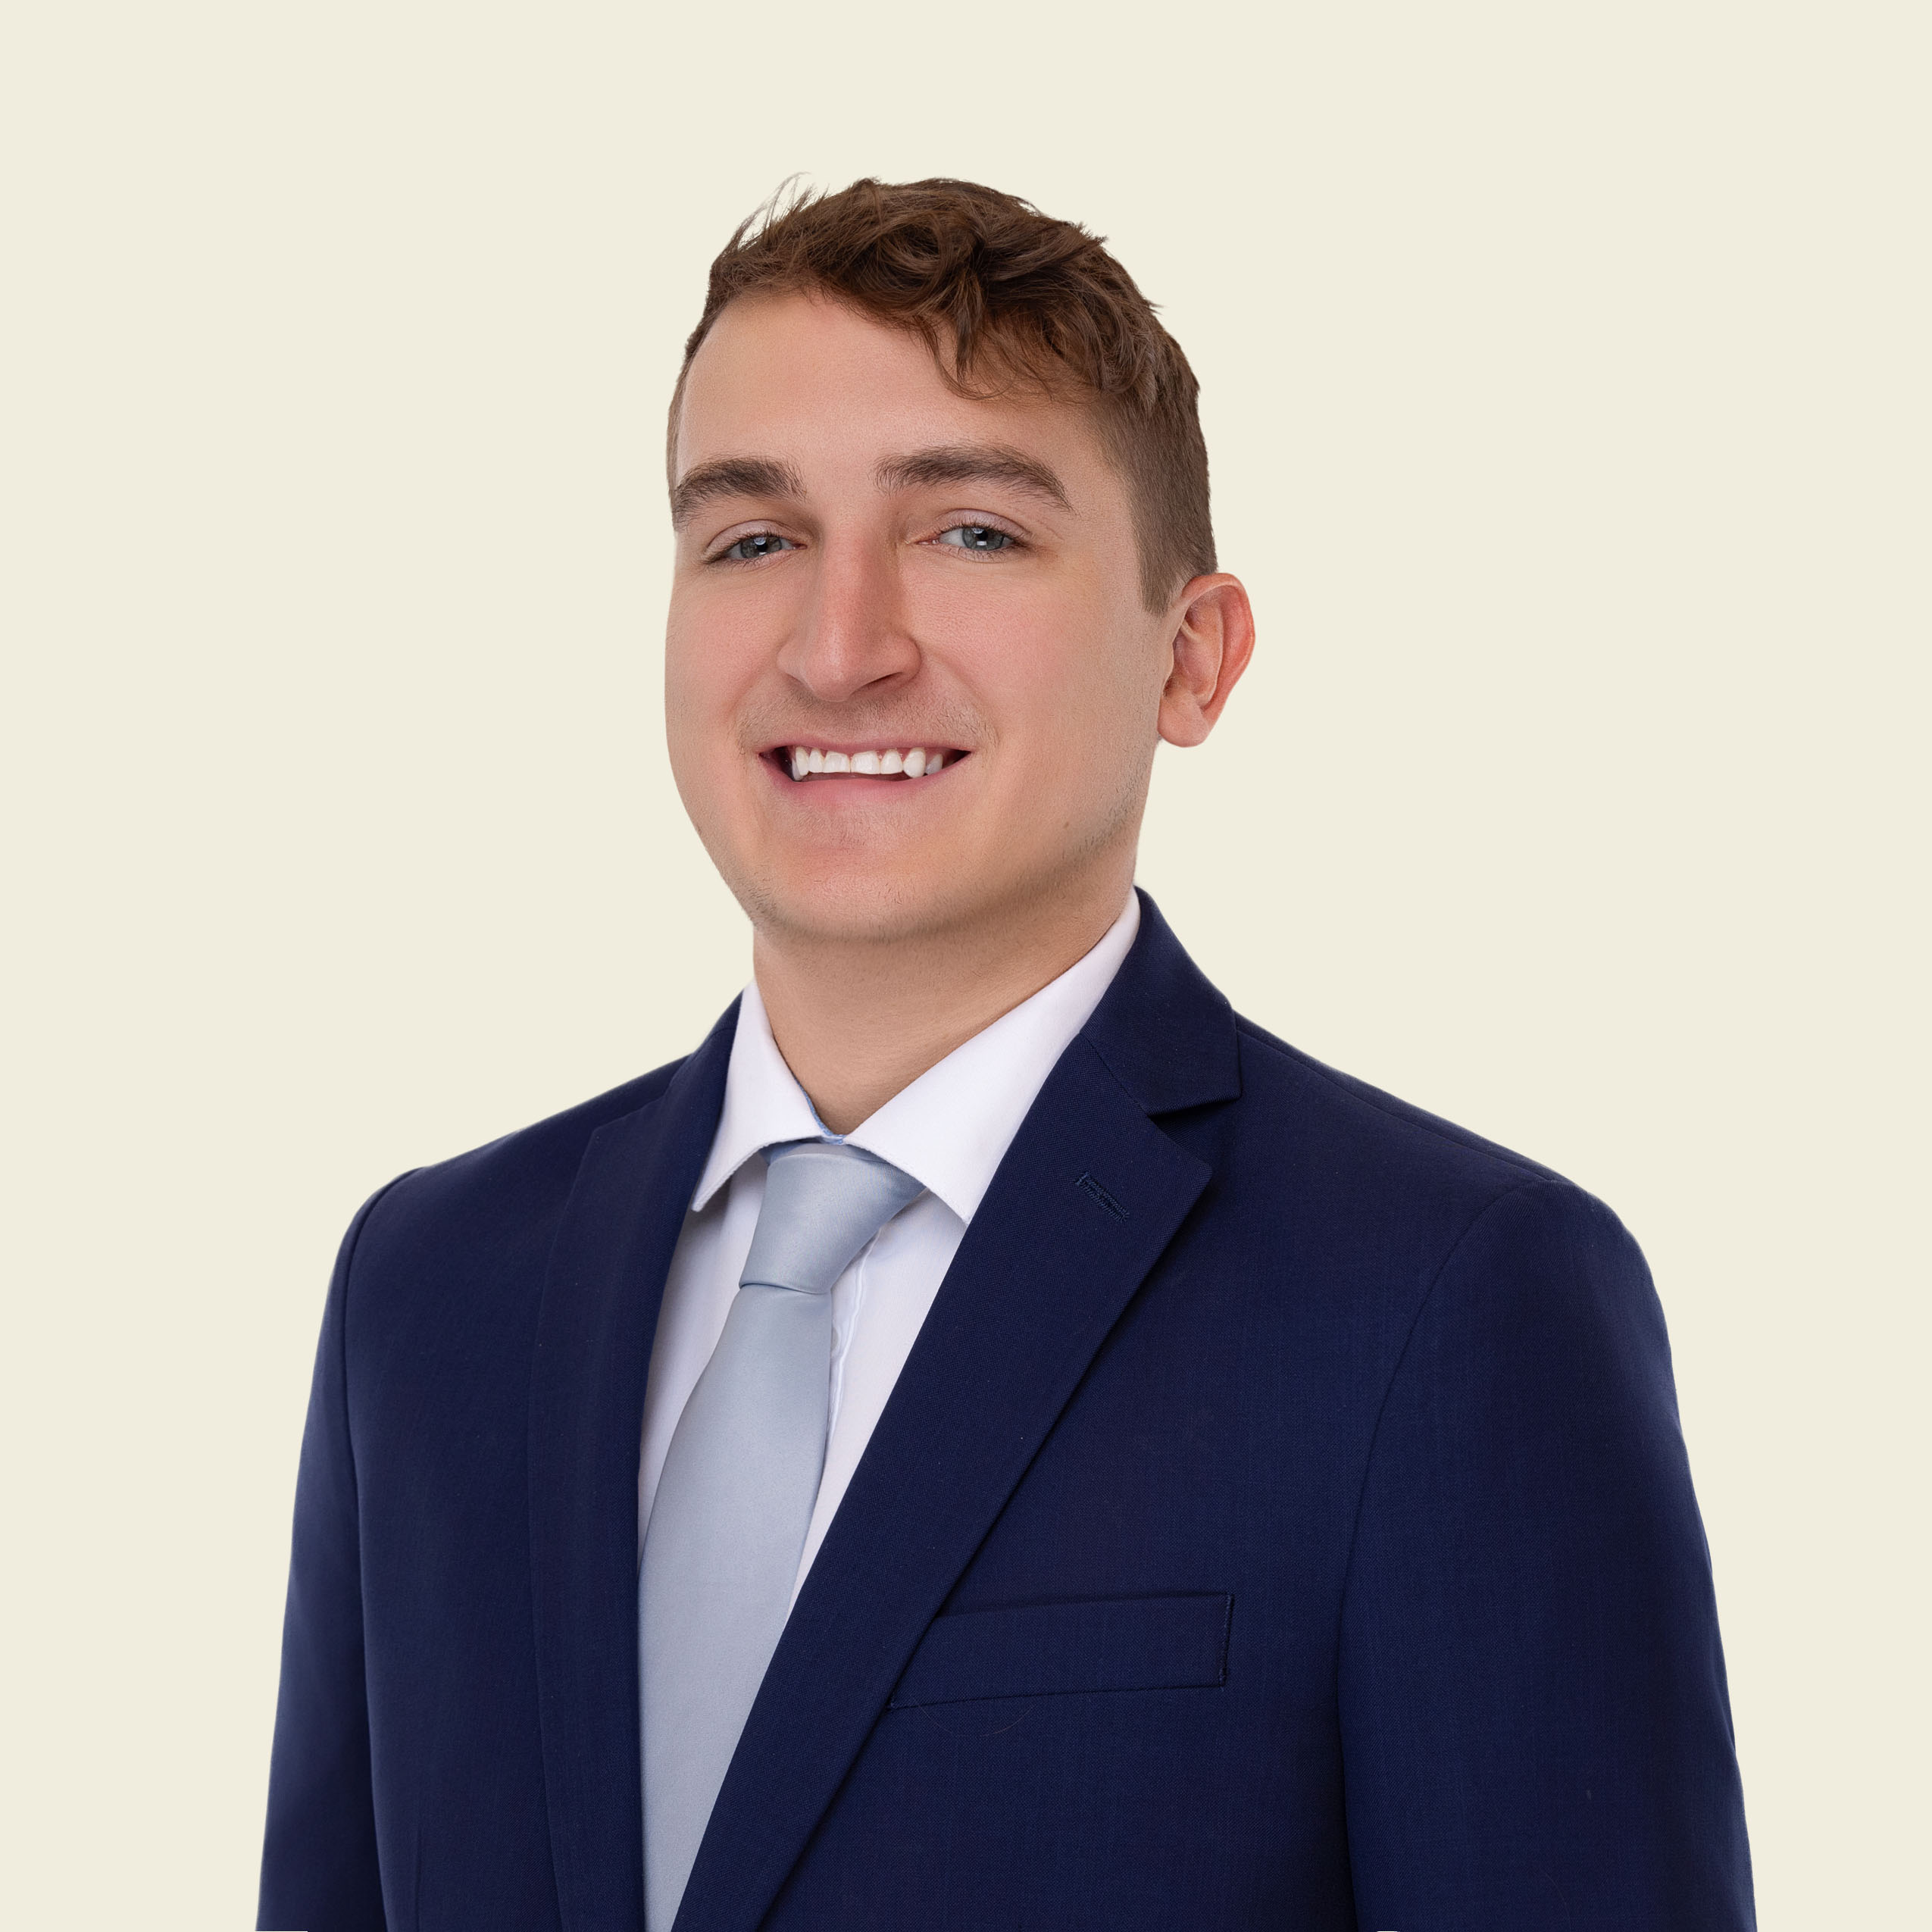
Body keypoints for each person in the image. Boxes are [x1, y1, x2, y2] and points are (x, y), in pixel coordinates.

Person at [258, 178, 1755, 1931]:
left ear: (1192, 659)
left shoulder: (1450, 1303)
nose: (840, 648)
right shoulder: (432, 1290)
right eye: (753, 540)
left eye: (969, 532)